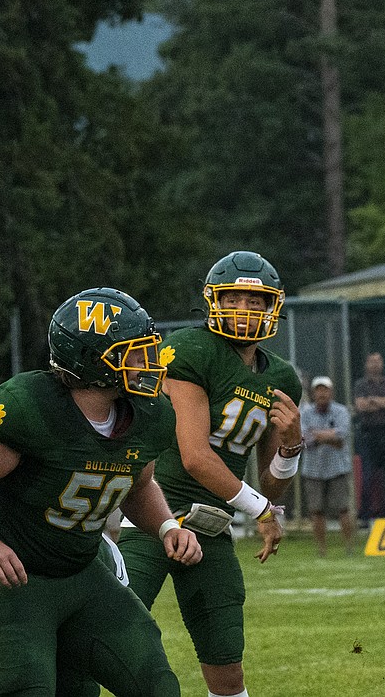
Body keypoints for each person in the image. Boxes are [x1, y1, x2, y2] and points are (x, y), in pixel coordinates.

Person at [0, 287, 202, 697]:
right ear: (93, 358)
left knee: (157, 684)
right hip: (11, 579)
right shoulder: (33, 406)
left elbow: (140, 483)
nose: (149, 361)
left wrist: (167, 527)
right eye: (134, 351)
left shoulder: (149, 414)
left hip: (80, 571)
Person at [119, 250, 303, 697]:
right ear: (213, 301)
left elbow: (269, 481)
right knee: (112, 635)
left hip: (211, 526)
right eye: (235, 298)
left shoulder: (280, 376)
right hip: (151, 516)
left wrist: (292, 446)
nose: (245, 310)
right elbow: (195, 456)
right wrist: (261, 511)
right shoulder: (189, 350)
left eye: (255, 302)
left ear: (272, 306)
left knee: (225, 661)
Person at [299, 376, 354, 557]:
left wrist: (317, 434)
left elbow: (342, 434)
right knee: (316, 511)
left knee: (343, 508)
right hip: (313, 469)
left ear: (331, 392)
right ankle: (321, 549)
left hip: (337, 468)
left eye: (325, 389)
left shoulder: (341, 411)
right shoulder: (305, 413)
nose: (322, 393)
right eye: (318, 390)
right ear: (313, 393)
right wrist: (330, 436)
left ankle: (349, 547)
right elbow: (303, 438)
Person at [353, 351, 385, 519]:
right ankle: (365, 517)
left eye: (378, 361)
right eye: (372, 361)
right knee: (366, 477)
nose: (375, 364)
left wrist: (373, 401)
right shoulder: (360, 385)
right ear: (366, 364)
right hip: (368, 435)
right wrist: (383, 402)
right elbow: (360, 406)